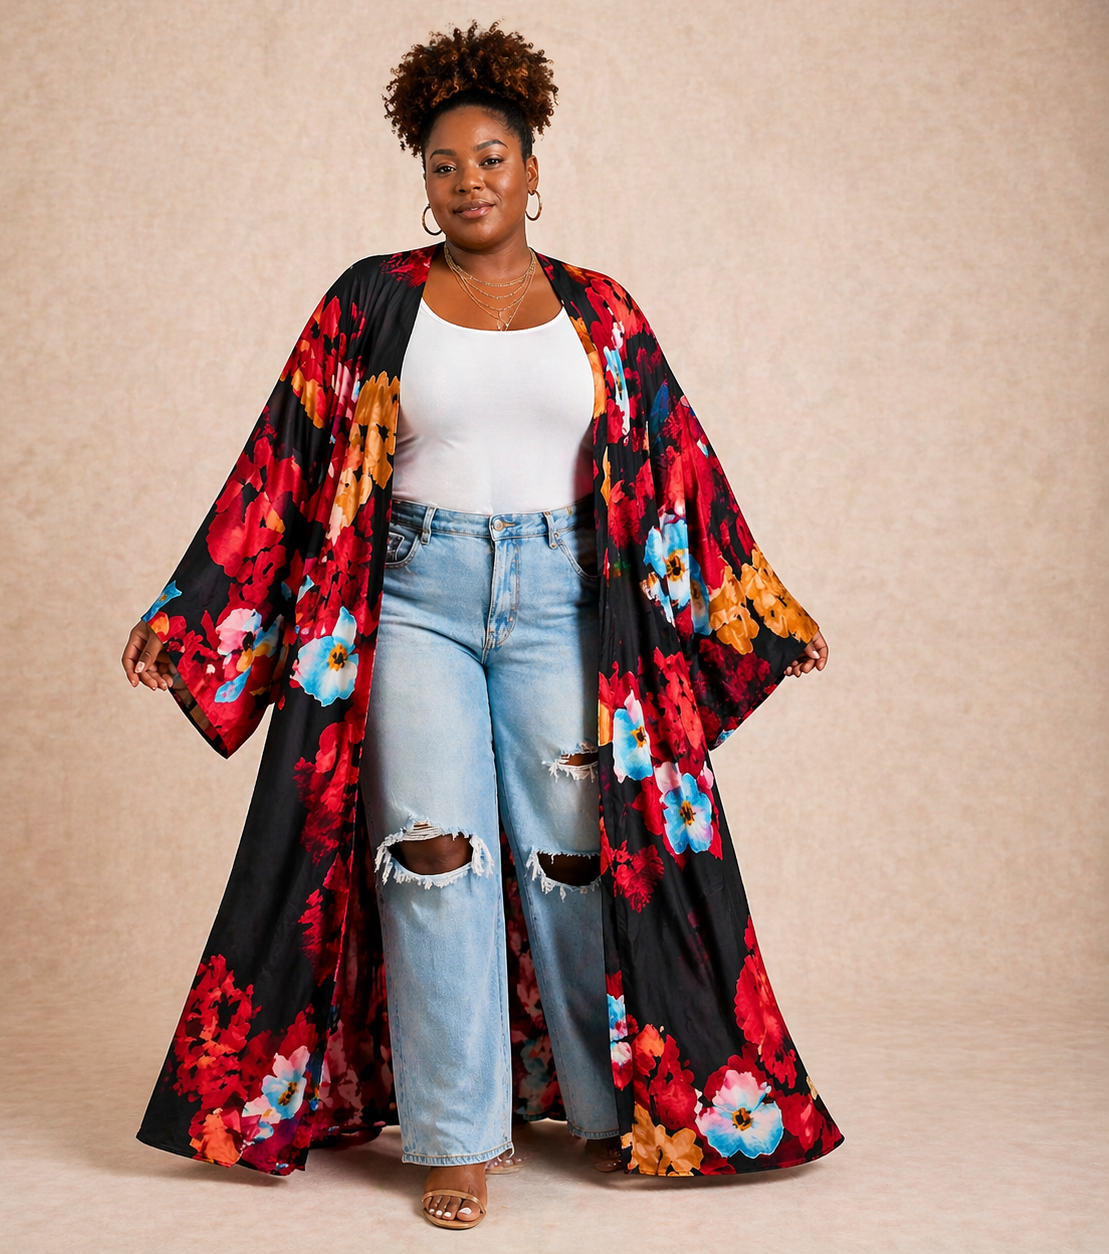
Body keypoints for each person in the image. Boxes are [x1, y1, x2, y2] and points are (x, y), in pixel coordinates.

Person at [122, 22, 842, 1232]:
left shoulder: (602, 312)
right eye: (445, 166)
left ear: (532, 168)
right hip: (416, 603)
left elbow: (677, 471)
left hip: (567, 603)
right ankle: (457, 1141)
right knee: (432, 859)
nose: (468, 183)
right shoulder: (372, 302)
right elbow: (283, 464)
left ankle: (606, 1110)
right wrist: (188, 611)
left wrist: (759, 607)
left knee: (573, 861)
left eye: (491, 160)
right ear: (425, 180)